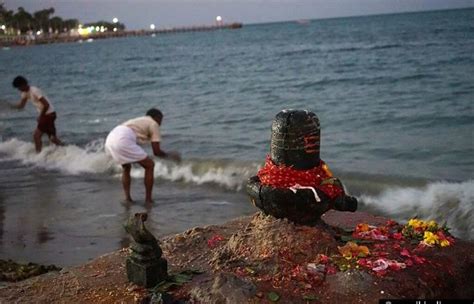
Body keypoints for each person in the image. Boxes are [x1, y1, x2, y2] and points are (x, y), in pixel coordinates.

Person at [105, 108, 180, 203]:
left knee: (126, 167)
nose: (161, 123)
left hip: (111, 138)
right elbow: (156, 151)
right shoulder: (154, 123)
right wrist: (170, 156)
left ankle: (127, 198)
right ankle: (148, 200)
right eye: (161, 119)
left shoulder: (138, 121)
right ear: (157, 117)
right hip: (123, 138)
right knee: (150, 165)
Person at [11, 76, 63, 152]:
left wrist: (40, 117)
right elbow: (21, 106)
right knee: (53, 139)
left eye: (19, 87)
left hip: (49, 114)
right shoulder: (24, 93)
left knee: (36, 136)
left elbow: (46, 105)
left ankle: (38, 156)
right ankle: (68, 150)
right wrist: (9, 106)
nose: (19, 89)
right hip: (48, 115)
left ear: (23, 84)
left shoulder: (34, 90)